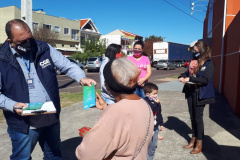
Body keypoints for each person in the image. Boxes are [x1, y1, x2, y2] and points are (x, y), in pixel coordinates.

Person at [0, 19, 96, 160]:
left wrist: (81, 78)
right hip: (24, 125)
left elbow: (67, 65)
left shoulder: (43, 48)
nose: (28, 43)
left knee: (54, 156)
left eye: (30, 38)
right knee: (22, 158)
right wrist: (12, 106)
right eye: (22, 42)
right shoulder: (2, 60)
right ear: (10, 41)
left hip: (50, 119)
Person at [76, 58, 154, 159]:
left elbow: (86, 155)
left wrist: (89, 136)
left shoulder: (114, 112)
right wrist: (106, 107)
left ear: (108, 87)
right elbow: (129, 124)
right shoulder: (145, 104)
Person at [178, 41, 215, 154]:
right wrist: (181, 77)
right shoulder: (194, 62)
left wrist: (191, 79)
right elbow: (186, 74)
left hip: (201, 94)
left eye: (195, 51)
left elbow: (205, 80)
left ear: (202, 50)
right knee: (192, 117)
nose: (194, 53)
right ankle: (193, 140)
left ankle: (199, 143)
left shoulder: (209, 63)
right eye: (193, 51)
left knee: (198, 119)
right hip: (190, 92)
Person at [143, 83, 164, 160]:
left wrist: (161, 123)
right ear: (147, 94)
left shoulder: (156, 102)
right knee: (144, 144)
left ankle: (150, 157)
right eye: (154, 94)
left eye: (156, 94)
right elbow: (152, 109)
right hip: (147, 128)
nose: (156, 96)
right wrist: (156, 103)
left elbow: (158, 113)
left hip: (155, 127)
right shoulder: (144, 102)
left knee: (153, 145)